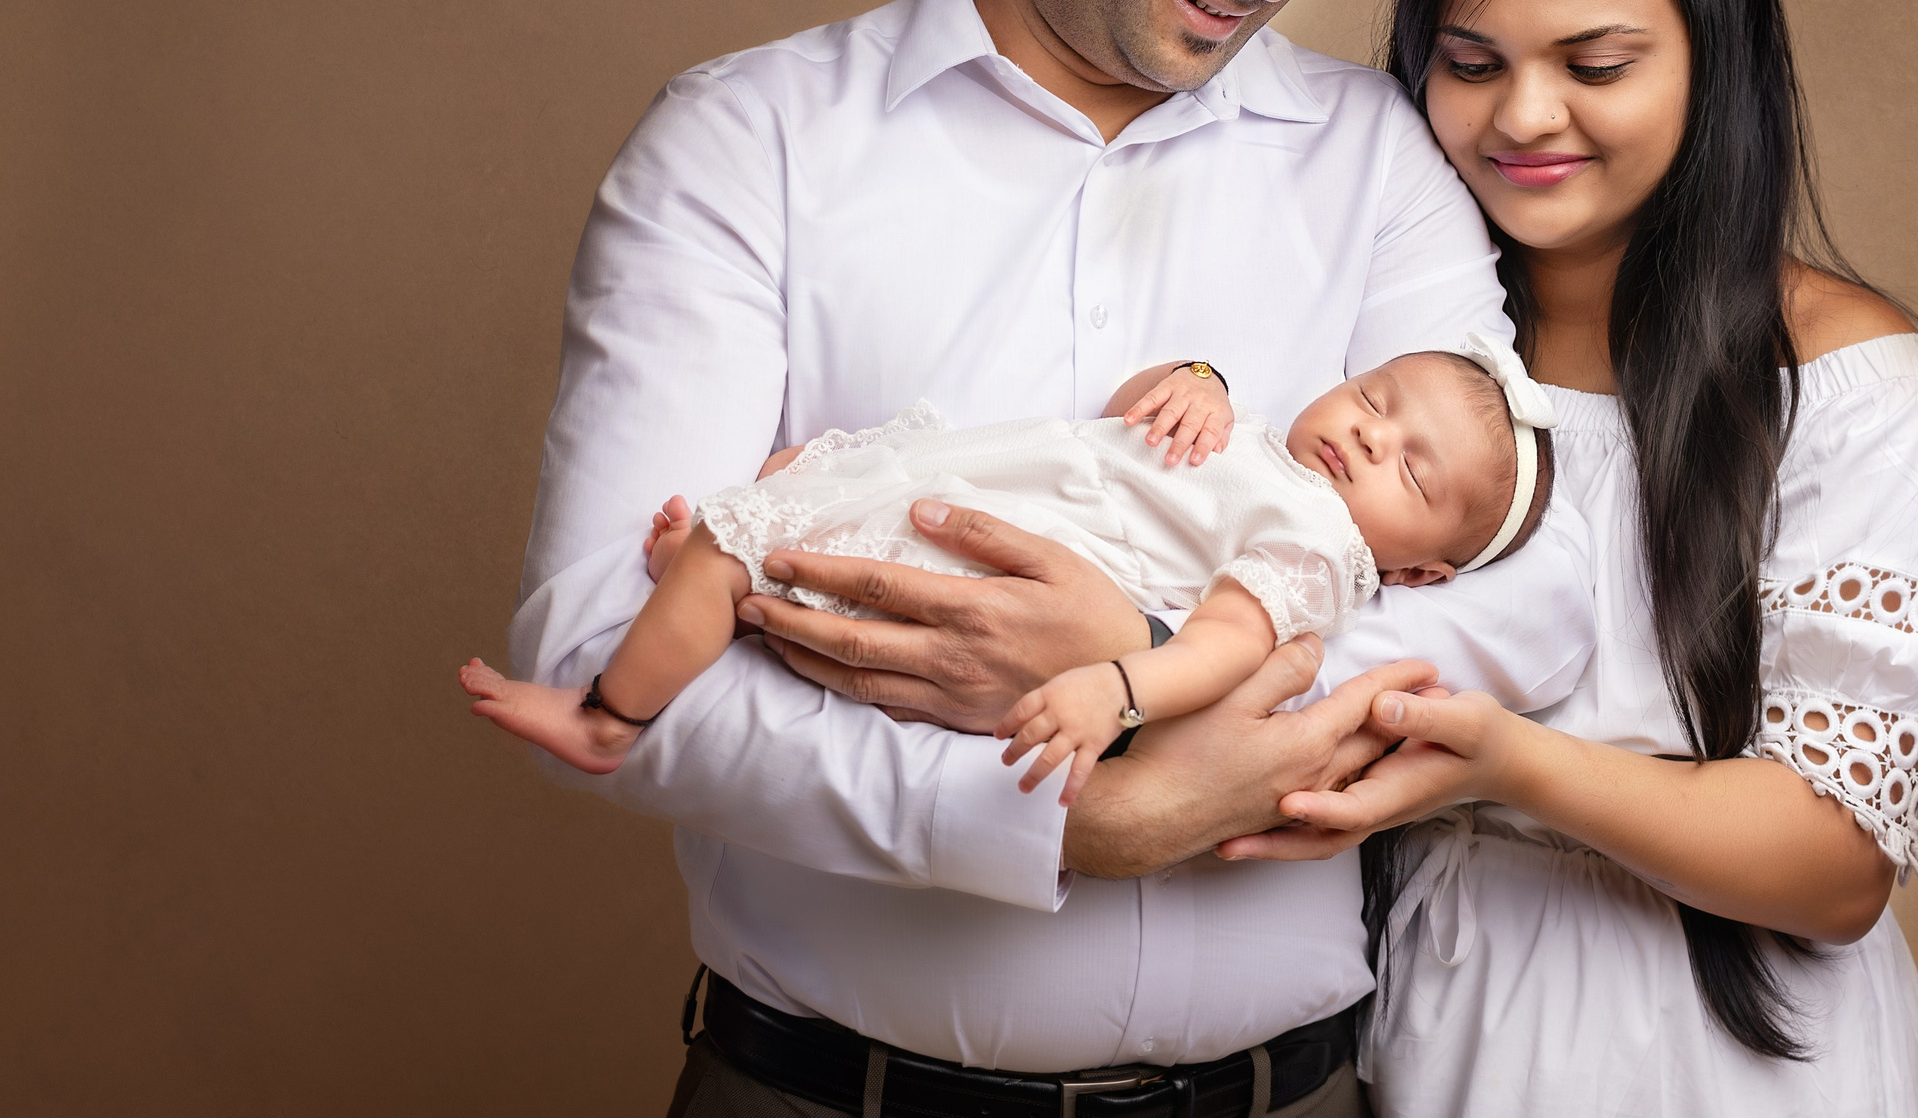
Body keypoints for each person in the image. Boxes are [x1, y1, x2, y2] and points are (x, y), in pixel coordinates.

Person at [502, 0, 1597, 1118]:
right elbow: (592, 641)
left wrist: (1148, 662)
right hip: (833, 1116)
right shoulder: (747, 148)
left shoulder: (1380, 160)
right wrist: (1076, 810)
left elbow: (1526, 595)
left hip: (1285, 1117)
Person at [1222, 0, 1918, 1118]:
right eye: (1471, 62)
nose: (1525, 114)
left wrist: (1506, 760)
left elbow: (1832, 863)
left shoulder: (1850, 390)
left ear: (1716, 66)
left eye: (1597, 63)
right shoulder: (1406, 364)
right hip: (1425, 1021)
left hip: (1718, 1067)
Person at [466, 342, 1556, 802]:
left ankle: (614, 713)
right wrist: (1194, 377)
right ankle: (724, 587)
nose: (1368, 439)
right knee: (798, 473)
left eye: (1409, 471)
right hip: (984, 484)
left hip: (993, 550)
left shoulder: (1317, 549)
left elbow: (1228, 642)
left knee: (748, 546)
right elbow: (1137, 417)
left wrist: (1118, 686)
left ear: (1414, 573)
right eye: (1373, 399)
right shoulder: (1268, 445)